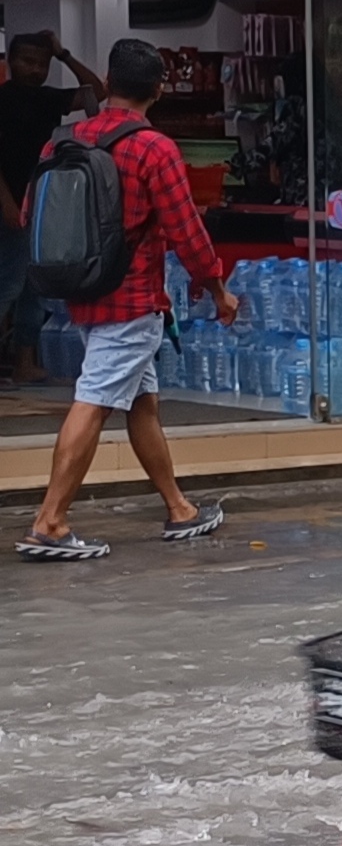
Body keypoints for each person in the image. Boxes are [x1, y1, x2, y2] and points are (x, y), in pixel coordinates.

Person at [19, 40, 238, 560]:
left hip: (83, 295)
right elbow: (187, 232)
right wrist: (218, 289)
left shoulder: (62, 143)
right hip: (132, 301)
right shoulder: (154, 148)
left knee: (143, 402)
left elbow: (32, 215)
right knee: (94, 400)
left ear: (108, 84)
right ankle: (50, 521)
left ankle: (179, 508)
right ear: (158, 90)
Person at [0, 29, 103, 384]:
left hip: (42, 203)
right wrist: (8, 204)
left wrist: (63, 54)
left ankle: (24, 363)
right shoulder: (3, 100)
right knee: (7, 284)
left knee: (36, 286)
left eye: (42, 64)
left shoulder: (47, 99)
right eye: (28, 61)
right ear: (11, 62)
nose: (35, 69)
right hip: (9, 205)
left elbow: (96, 91)